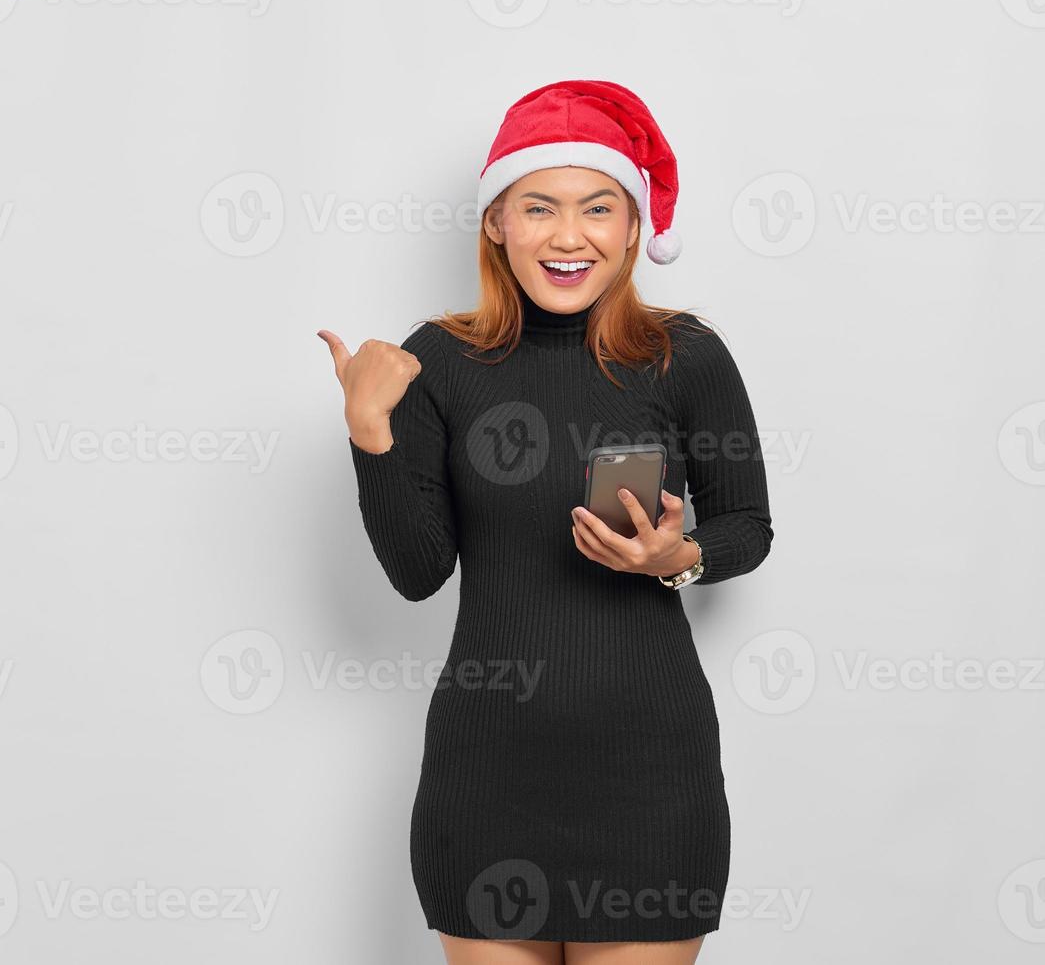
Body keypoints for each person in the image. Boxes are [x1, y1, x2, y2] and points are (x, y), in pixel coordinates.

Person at [317, 80, 775, 965]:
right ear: (496, 223)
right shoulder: (439, 361)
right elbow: (417, 573)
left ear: (634, 227)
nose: (569, 236)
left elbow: (747, 525)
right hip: (487, 772)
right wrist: (369, 433)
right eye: (539, 208)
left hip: (650, 776)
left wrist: (675, 558)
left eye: (597, 207)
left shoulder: (684, 357)